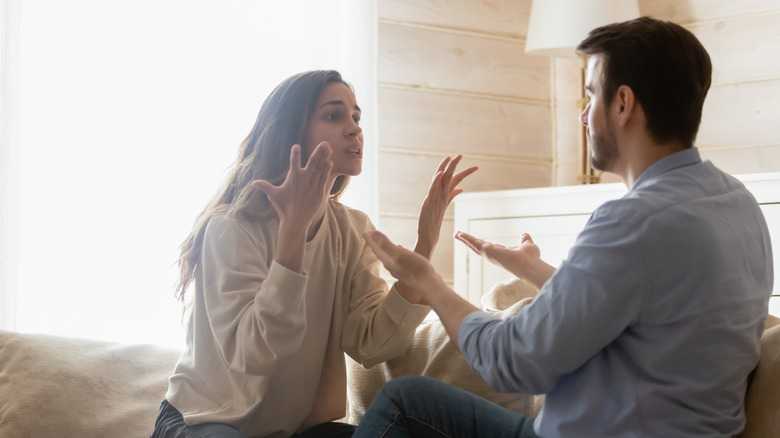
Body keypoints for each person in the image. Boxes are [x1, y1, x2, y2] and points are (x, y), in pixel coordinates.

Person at [352, 17, 774, 438]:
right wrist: (536, 272)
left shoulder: (632, 221)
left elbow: (514, 362)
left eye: (590, 95)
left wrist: (428, 282)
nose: (584, 116)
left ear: (623, 104)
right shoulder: (737, 203)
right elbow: (650, 310)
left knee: (401, 401)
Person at [150, 70, 477, 438]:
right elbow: (255, 355)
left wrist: (424, 244)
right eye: (334, 116)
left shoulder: (352, 229)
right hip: (205, 419)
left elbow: (371, 342)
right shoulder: (231, 227)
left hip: (296, 430)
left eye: (356, 117)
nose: (354, 129)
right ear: (292, 132)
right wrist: (293, 233)